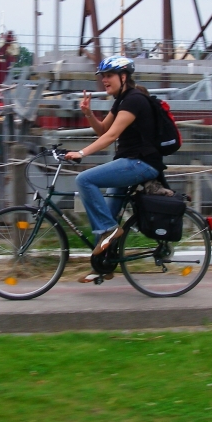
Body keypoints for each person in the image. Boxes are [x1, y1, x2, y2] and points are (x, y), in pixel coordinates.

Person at [64, 56, 163, 283]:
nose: (104, 80)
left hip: (141, 163)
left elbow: (111, 136)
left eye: (109, 76)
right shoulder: (121, 101)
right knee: (107, 216)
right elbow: (102, 130)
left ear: (123, 77)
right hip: (130, 162)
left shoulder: (134, 100)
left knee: (84, 180)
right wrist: (88, 113)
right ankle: (103, 265)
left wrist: (82, 153)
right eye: (103, 77)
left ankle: (109, 232)